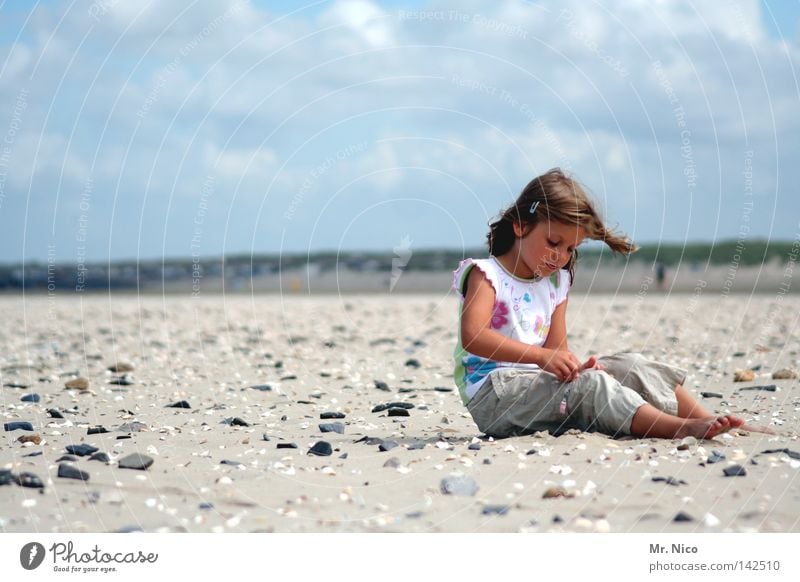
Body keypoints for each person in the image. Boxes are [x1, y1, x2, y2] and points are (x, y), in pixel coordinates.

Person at [452, 168, 755, 440]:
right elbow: (474, 337)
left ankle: (702, 417)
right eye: (553, 242)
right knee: (591, 386)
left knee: (628, 365)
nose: (560, 256)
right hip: (495, 396)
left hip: (535, 386)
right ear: (520, 226)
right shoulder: (486, 274)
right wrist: (541, 357)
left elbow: (558, 349)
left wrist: (572, 367)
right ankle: (678, 428)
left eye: (571, 248)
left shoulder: (556, 283)